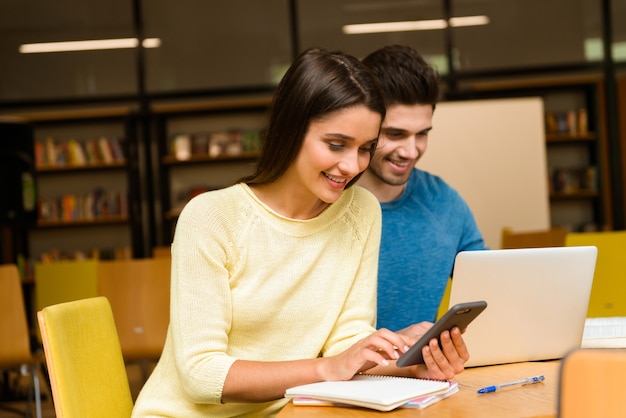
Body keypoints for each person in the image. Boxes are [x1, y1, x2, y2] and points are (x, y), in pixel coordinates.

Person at [132, 48, 469, 418]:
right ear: (292, 129)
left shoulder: (362, 212)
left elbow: (348, 340)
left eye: (365, 149)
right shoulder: (210, 217)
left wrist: (415, 364)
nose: (351, 165)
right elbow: (201, 374)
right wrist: (327, 368)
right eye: (336, 145)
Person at [358, 45, 487, 331]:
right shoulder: (324, 204)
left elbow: (490, 288)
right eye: (395, 134)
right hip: (340, 375)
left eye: (422, 134)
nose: (411, 151)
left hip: (425, 373)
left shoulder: (445, 202)